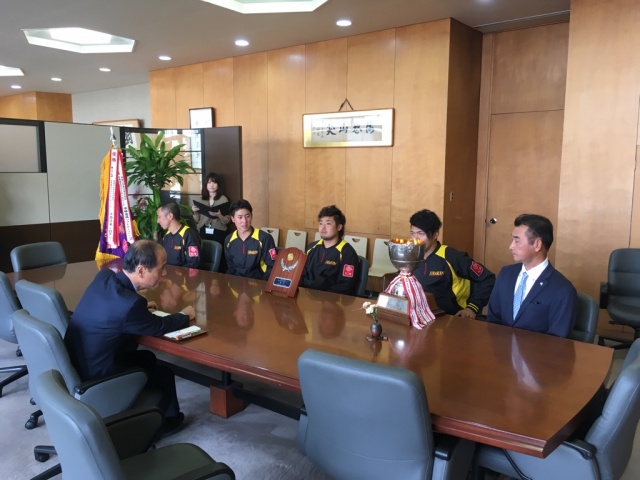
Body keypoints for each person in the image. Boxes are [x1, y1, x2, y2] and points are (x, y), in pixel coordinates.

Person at [64, 239, 196, 433]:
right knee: (164, 373)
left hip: (79, 363)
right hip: (97, 376)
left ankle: (143, 407)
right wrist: (184, 315)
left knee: (147, 357)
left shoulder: (105, 277)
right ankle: (167, 424)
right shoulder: (131, 305)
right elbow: (158, 326)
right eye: (162, 268)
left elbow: (116, 306)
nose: (165, 273)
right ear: (141, 271)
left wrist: (141, 307)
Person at [487, 213, 577, 337]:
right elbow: (493, 320)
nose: (511, 246)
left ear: (537, 244)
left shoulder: (563, 290)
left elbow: (558, 340)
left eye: (517, 240)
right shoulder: (506, 274)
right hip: (501, 347)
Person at [409, 209, 495, 317]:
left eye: (421, 234)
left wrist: (472, 308)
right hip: (417, 315)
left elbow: (488, 279)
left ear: (435, 234)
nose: (415, 239)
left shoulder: (452, 257)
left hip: (450, 317)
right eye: (412, 233)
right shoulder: (409, 257)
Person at [300, 205, 359, 295]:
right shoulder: (311, 247)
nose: (323, 228)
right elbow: (301, 274)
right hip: (307, 296)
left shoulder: (347, 252)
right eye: (321, 223)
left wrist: (322, 298)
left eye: (328, 224)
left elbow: (344, 286)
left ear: (339, 227)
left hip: (330, 299)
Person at [224, 199, 276, 280]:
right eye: (240, 217)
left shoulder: (264, 238)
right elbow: (231, 267)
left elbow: (272, 266)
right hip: (236, 282)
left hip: (258, 282)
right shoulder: (229, 240)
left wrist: (263, 284)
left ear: (251, 216)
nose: (244, 221)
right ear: (233, 219)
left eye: (247, 216)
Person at [157, 202, 202, 268]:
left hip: (183, 274)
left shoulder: (189, 235)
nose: (157, 221)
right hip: (168, 272)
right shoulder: (166, 236)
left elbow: (193, 264)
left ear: (170, 216)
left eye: (159, 217)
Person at [192, 172, 231, 247]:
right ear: (206, 184)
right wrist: (194, 212)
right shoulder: (200, 199)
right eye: (209, 183)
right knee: (203, 250)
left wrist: (219, 215)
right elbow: (197, 220)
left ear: (218, 185)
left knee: (218, 251)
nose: (212, 185)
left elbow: (228, 220)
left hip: (219, 230)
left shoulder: (223, 199)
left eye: (214, 183)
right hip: (203, 229)